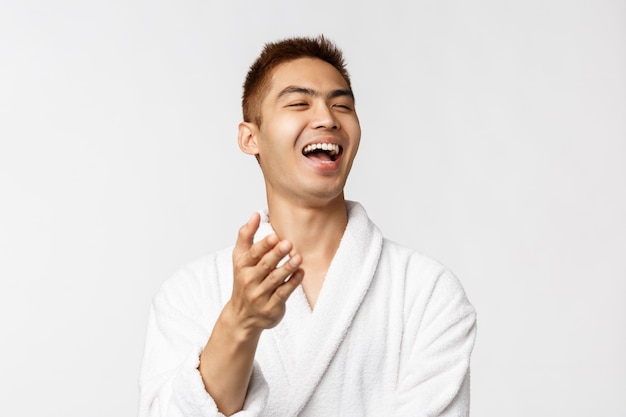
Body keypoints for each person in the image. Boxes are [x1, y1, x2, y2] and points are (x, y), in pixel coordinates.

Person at [139, 35, 476, 417]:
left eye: (341, 105)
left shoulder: (425, 291)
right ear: (250, 138)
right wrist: (239, 323)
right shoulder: (189, 293)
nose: (328, 119)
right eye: (300, 103)